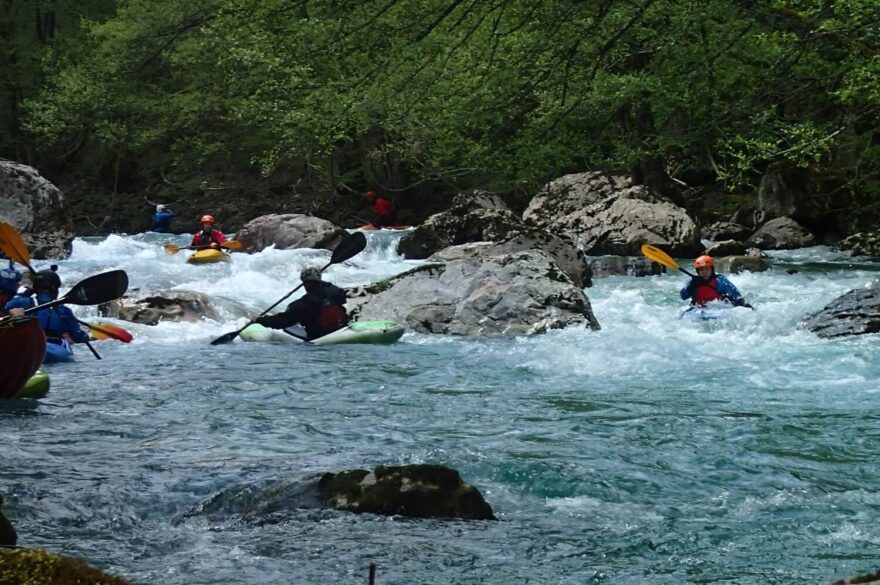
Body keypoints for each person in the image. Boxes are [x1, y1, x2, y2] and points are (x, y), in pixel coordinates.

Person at [255, 266, 349, 340]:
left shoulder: (303, 303)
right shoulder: (335, 291)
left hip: (319, 334)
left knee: (287, 326)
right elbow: (340, 295)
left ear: (304, 283)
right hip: (340, 327)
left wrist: (261, 320)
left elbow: (282, 321)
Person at [4, 266, 90, 344]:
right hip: (55, 347)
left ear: (35, 288)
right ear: (53, 288)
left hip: (28, 344)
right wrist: (87, 336)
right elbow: (79, 337)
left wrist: (25, 293)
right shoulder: (63, 311)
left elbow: (6, 308)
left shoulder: (22, 302)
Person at [680, 255, 750, 308]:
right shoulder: (693, 281)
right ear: (697, 272)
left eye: (707, 269)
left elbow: (735, 295)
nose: (704, 272)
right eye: (701, 270)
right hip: (698, 309)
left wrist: (743, 304)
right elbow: (683, 297)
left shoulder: (720, 281)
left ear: (712, 270)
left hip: (718, 308)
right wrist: (691, 286)